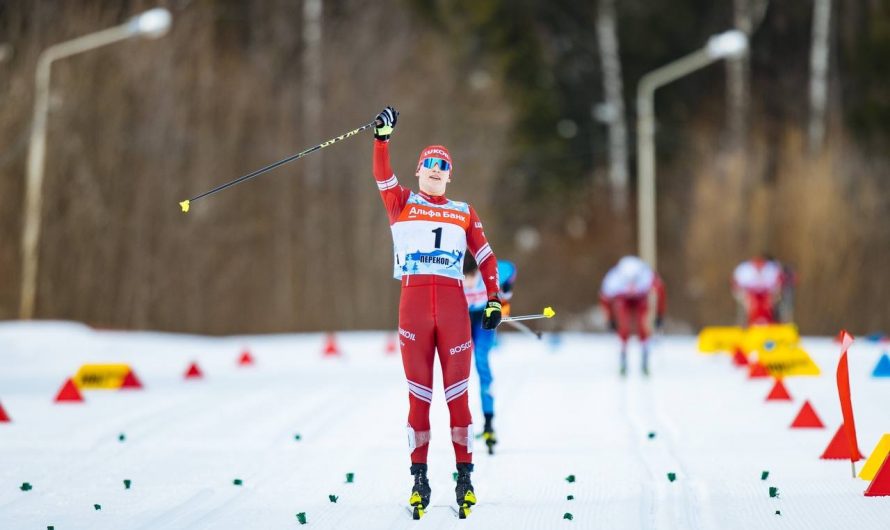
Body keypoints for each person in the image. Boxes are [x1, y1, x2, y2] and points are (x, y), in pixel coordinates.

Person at [372, 106, 502, 520]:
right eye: (427, 163)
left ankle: (465, 477)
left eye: (441, 165)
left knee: (458, 399)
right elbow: (381, 174)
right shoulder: (401, 202)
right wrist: (382, 138)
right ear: (417, 171)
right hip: (413, 313)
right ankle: (419, 478)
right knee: (419, 400)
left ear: (450, 174)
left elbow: (485, 255)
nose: (434, 169)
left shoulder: (463, 210)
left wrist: (495, 298)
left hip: (452, 313)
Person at [463, 256, 517, 455]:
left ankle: (488, 422)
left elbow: (511, 268)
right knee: (459, 366)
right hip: (463, 318)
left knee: (481, 360)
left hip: (484, 317)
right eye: (464, 277)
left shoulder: (492, 270)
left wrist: (506, 297)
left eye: (472, 276)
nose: (468, 282)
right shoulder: (453, 275)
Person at [599, 256, 666, 376]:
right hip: (623, 298)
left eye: (634, 281)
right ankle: (623, 357)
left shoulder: (647, 276)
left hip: (641, 298)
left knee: (643, 326)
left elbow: (660, 293)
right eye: (628, 281)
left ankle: (645, 357)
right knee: (624, 325)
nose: (631, 285)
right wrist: (610, 319)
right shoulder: (613, 279)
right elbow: (604, 299)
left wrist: (660, 314)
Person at [732, 255, 787, 326]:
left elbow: (779, 282)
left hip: (768, 294)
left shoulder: (772, 268)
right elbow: (736, 284)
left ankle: (772, 323)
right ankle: (748, 324)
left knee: (770, 303)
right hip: (749, 295)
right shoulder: (743, 270)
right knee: (751, 303)